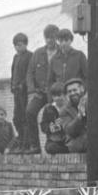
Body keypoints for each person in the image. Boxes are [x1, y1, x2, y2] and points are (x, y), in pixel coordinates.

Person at [23, 24, 59, 154]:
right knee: (30, 112)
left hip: (55, 93)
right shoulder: (38, 53)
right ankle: (35, 146)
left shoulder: (61, 53)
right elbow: (29, 73)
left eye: (53, 37)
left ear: (57, 37)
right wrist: (32, 90)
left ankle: (54, 144)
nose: (50, 40)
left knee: (53, 116)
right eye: (47, 37)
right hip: (40, 92)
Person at [9, 33, 32, 150]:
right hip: (16, 91)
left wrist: (23, 84)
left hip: (25, 92)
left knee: (24, 117)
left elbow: (29, 73)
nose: (18, 47)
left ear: (25, 44)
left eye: (20, 45)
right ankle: (21, 138)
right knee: (16, 118)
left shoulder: (30, 56)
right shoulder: (15, 57)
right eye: (16, 45)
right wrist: (12, 85)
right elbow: (13, 72)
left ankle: (26, 144)